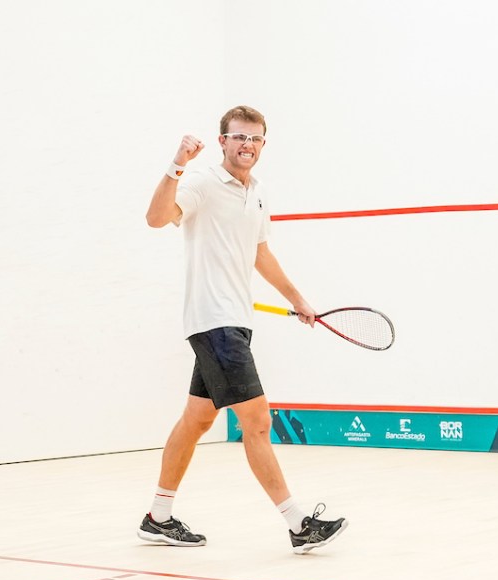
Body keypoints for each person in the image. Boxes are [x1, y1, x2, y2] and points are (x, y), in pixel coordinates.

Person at [140, 105, 346, 554]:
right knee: (257, 421)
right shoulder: (201, 183)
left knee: (196, 420)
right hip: (214, 321)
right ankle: (297, 524)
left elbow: (260, 254)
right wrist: (177, 164)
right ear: (223, 141)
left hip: (234, 321)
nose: (246, 145)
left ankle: (158, 516)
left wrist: (298, 300)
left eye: (255, 139)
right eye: (238, 137)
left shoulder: (257, 193)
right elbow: (156, 218)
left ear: (263, 144)